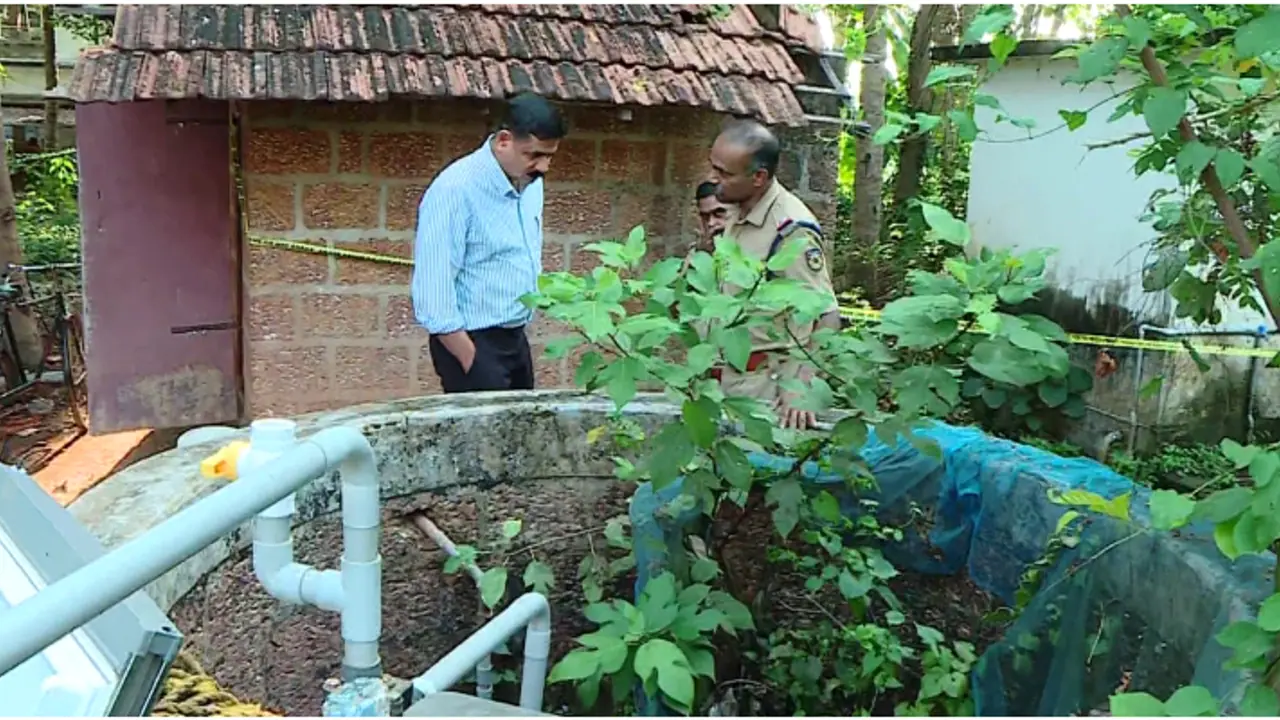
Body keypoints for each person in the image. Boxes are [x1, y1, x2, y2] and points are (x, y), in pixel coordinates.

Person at [411, 92, 566, 393]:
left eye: (549, 157)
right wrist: (470, 358)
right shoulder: (455, 190)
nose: (544, 167)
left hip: (515, 339)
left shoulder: (530, 183)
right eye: (534, 155)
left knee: (521, 435)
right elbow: (433, 287)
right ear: (504, 141)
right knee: (478, 440)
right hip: (472, 343)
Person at [707, 120, 842, 430]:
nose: (714, 180)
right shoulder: (737, 212)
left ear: (759, 177)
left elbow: (827, 314)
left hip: (765, 391)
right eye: (714, 168)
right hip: (725, 381)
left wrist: (801, 386)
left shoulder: (791, 229)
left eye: (725, 173)